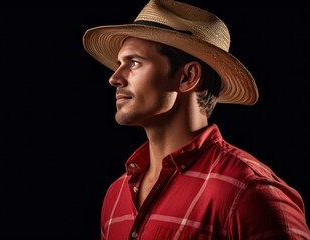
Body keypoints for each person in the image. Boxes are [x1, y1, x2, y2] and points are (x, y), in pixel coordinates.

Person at [82, 0, 310, 239]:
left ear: (187, 77)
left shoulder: (249, 191)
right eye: (119, 64)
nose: (115, 78)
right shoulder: (116, 195)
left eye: (135, 63)